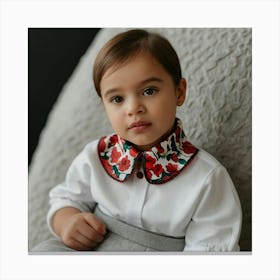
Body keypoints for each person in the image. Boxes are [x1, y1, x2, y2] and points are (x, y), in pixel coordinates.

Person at [32, 29, 242, 252]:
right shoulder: (96, 156)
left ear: (179, 92)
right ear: (104, 106)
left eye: (149, 91)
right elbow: (66, 197)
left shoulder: (206, 178)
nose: (133, 108)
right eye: (117, 99)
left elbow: (212, 249)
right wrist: (67, 221)